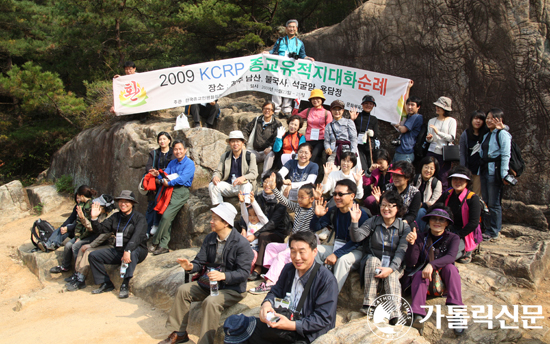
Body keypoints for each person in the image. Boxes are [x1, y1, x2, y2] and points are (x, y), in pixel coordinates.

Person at [159, 202, 253, 344]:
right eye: (212, 218)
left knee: (211, 302)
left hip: (232, 289)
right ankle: (180, 333)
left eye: (215, 219)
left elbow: (244, 273)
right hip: (209, 284)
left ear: (226, 222)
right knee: (183, 290)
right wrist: (190, 266)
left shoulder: (241, 244)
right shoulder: (210, 238)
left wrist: (224, 276)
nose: (211, 221)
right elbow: (200, 261)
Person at [225, 231, 338, 344]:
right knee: (236, 325)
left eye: (302, 252)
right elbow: (275, 291)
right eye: (293, 251)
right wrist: (266, 304)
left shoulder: (326, 280)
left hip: (306, 333)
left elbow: (323, 319)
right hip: (283, 322)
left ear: (314, 252)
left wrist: (292, 325)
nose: (297, 257)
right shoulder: (289, 269)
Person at [350, 190, 411, 322]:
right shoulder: (373, 221)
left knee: (392, 275)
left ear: (398, 208)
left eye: (390, 205)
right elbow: (357, 237)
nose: (386, 208)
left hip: (393, 265)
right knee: (372, 260)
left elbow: (401, 251)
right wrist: (355, 222)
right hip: (375, 265)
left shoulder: (404, 228)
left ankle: (395, 313)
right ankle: (369, 304)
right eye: (383, 205)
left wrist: (390, 269)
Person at [249, 175, 316, 294]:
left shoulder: (312, 212)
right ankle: (273, 274)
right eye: (298, 197)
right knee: (271, 247)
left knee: (281, 256)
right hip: (290, 243)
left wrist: (317, 202)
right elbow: (285, 201)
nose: (299, 199)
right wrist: (274, 189)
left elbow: (317, 210)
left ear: (311, 199)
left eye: (302, 197)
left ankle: (270, 283)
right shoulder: (298, 208)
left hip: (299, 246)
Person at [404, 206, 464, 336]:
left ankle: (457, 313)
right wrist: (412, 244)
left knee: (451, 268)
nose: (437, 222)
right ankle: (418, 315)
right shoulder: (421, 237)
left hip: (443, 283)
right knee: (419, 273)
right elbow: (411, 262)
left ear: (447, 223)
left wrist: (431, 265)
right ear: (429, 221)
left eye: (442, 220)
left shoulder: (453, 238)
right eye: (434, 219)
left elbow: (451, 257)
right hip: (425, 281)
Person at [88, 190, 148, 298]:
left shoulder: (139, 218)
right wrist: (94, 218)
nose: (123, 204)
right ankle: (106, 283)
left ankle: (125, 283)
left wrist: (128, 250)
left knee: (133, 252)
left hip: (137, 250)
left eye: (126, 201)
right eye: (121, 201)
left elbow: (137, 236)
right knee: (93, 256)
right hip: (119, 250)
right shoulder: (115, 217)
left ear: (132, 203)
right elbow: (100, 229)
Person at [311, 179, 369, 291]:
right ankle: (311, 288)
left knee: (343, 260)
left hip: (356, 250)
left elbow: (357, 242)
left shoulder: (361, 214)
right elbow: (314, 228)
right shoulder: (333, 211)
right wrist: (317, 216)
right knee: (314, 251)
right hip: (338, 246)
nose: (336, 197)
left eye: (341, 194)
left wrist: (336, 254)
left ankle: (330, 297)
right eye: (335, 194)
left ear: (352, 196)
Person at [242, 171, 291, 281]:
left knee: (263, 236)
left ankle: (258, 268)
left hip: (276, 232)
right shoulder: (259, 198)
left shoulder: (281, 202)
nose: (267, 184)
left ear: (276, 185)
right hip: (258, 227)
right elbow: (246, 214)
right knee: (237, 225)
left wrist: (255, 235)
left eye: (271, 182)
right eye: (265, 181)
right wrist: (243, 228)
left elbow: (273, 223)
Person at [149, 140, 195, 255]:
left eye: (180, 149)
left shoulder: (189, 163)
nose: (178, 151)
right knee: (166, 216)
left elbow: (182, 179)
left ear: (185, 150)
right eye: (175, 149)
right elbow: (166, 174)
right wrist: (158, 174)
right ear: (173, 151)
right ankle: (163, 245)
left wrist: (168, 183)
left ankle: (155, 242)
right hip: (168, 191)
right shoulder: (172, 163)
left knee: (166, 216)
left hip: (180, 191)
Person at [263, 19, 315, 118]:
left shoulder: (299, 43)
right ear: (286, 29)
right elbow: (273, 51)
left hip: (291, 69)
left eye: (293, 27)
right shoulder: (280, 40)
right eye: (289, 27)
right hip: (279, 68)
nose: (291, 29)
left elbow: (302, 55)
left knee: (289, 86)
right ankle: (276, 109)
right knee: (277, 86)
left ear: (296, 29)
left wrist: (308, 58)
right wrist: (268, 53)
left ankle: (287, 109)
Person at [65, 194, 118, 291]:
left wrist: (91, 245)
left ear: (105, 206)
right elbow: (94, 229)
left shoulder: (114, 215)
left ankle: (81, 279)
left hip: (112, 244)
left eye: (99, 205)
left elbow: (104, 235)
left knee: (88, 250)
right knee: (82, 248)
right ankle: (77, 275)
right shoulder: (102, 214)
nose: (95, 207)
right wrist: (83, 219)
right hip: (103, 242)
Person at [435, 166, 481, 263]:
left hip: (464, 233)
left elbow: (473, 223)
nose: (457, 182)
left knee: (448, 254)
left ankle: (466, 252)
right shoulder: (448, 193)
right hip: (448, 229)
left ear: (467, 182)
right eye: (455, 179)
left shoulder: (472, 198)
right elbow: (436, 208)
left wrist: (458, 235)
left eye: (461, 179)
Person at [49, 185, 97, 274]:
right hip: (82, 235)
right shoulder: (80, 205)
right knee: (68, 246)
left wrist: (80, 238)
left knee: (75, 246)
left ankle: (77, 272)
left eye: (78, 196)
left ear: (82, 196)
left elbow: (92, 227)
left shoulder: (93, 206)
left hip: (90, 235)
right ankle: (65, 267)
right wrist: (77, 236)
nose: (77, 198)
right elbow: (78, 223)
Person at [480, 108, 511, 241]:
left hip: (494, 171)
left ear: (499, 119)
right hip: (485, 170)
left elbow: (505, 154)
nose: (488, 120)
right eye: (487, 118)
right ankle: (487, 228)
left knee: (494, 203)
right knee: (486, 202)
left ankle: (494, 230)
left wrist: (504, 173)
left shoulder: (502, 134)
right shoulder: (487, 134)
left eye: (492, 118)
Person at [37, 185, 96, 252]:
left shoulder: (90, 206)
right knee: (61, 228)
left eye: (78, 198)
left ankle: (54, 244)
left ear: (82, 196)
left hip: (84, 233)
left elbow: (82, 224)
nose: (77, 200)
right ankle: (48, 244)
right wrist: (63, 227)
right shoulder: (79, 206)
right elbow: (71, 219)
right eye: (76, 198)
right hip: (78, 230)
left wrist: (69, 229)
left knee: (67, 231)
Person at [209, 130, 258, 205]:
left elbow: (254, 173)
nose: (235, 144)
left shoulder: (250, 156)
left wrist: (243, 177)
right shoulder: (225, 156)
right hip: (229, 185)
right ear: (229, 143)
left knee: (247, 185)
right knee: (212, 185)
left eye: (238, 141)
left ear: (242, 143)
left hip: (242, 185)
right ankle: (219, 209)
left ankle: (246, 209)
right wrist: (215, 176)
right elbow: (218, 171)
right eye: (232, 141)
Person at [366, 160, 421, 225]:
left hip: (404, 222)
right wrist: (378, 202)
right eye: (394, 175)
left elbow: (412, 214)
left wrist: (402, 223)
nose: (395, 178)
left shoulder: (415, 193)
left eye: (398, 175)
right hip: (386, 220)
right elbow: (376, 210)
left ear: (407, 177)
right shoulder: (387, 188)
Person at [144, 131, 174, 236]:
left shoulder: (173, 152)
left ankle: (158, 227)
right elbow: (148, 166)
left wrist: (161, 173)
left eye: (164, 139)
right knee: (151, 205)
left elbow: (174, 168)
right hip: (155, 184)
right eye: (160, 139)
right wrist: (154, 172)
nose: (162, 141)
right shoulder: (154, 153)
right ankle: (147, 231)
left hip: (168, 181)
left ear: (169, 140)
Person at [425, 96, 457, 189]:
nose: (437, 108)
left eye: (440, 107)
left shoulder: (451, 121)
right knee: (429, 175)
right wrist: (429, 138)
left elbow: (451, 137)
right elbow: (429, 139)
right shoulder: (432, 120)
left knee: (443, 177)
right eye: (437, 106)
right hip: (432, 151)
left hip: (444, 154)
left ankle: (441, 198)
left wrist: (438, 132)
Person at [242, 100, 282, 173]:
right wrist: (243, 143)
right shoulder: (257, 120)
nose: (267, 111)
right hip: (254, 151)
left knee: (271, 154)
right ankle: (246, 176)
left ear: (273, 112)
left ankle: (264, 177)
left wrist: (270, 147)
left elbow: (277, 138)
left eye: (269, 109)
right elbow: (246, 130)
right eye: (265, 108)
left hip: (266, 153)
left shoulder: (277, 124)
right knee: (243, 153)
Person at [296, 89, 333, 165]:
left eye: (317, 98)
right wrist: (296, 106)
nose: (315, 100)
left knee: (313, 157)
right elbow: (296, 117)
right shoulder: (308, 111)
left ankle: (311, 174)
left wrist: (329, 145)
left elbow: (330, 129)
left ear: (322, 100)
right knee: (304, 155)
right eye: (313, 99)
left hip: (321, 139)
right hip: (309, 139)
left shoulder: (327, 113)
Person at [459, 111, 489, 196]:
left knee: (477, 194)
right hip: (469, 169)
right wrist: (463, 169)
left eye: (480, 119)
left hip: (480, 170)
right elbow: (462, 153)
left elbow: (506, 128)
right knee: (465, 193)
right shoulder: (466, 134)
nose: (478, 121)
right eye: (476, 118)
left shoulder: (487, 133)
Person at [323, 100, 358, 166]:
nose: (337, 112)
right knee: (330, 172)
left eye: (339, 109)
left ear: (343, 110)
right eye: (334, 109)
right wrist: (327, 148)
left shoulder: (349, 122)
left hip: (347, 152)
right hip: (334, 153)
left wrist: (352, 153)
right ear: (331, 110)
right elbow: (326, 141)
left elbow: (353, 139)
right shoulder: (328, 126)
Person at [350, 95, 379, 171]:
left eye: (371, 104)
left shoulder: (374, 119)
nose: (368, 105)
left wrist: (372, 133)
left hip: (369, 145)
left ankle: (369, 181)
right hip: (357, 145)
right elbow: (350, 130)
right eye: (366, 103)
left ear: (373, 106)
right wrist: (352, 120)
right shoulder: (357, 116)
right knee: (361, 166)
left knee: (371, 164)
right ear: (362, 104)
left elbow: (376, 134)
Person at [413, 156, 443, 232]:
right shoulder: (414, 179)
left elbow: (434, 201)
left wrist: (422, 205)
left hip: (427, 210)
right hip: (412, 207)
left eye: (431, 168)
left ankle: (418, 233)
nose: (428, 170)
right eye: (426, 167)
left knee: (421, 211)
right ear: (421, 167)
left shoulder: (437, 183)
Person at [393, 94, 423, 163]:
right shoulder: (410, 115)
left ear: (418, 107)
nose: (409, 107)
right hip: (401, 151)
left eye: (412, 105)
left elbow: (403, 130)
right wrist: (408, 87)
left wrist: (398, 126)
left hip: (406, 153)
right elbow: (406, 100)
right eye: (408, 104)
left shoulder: (416, 117)